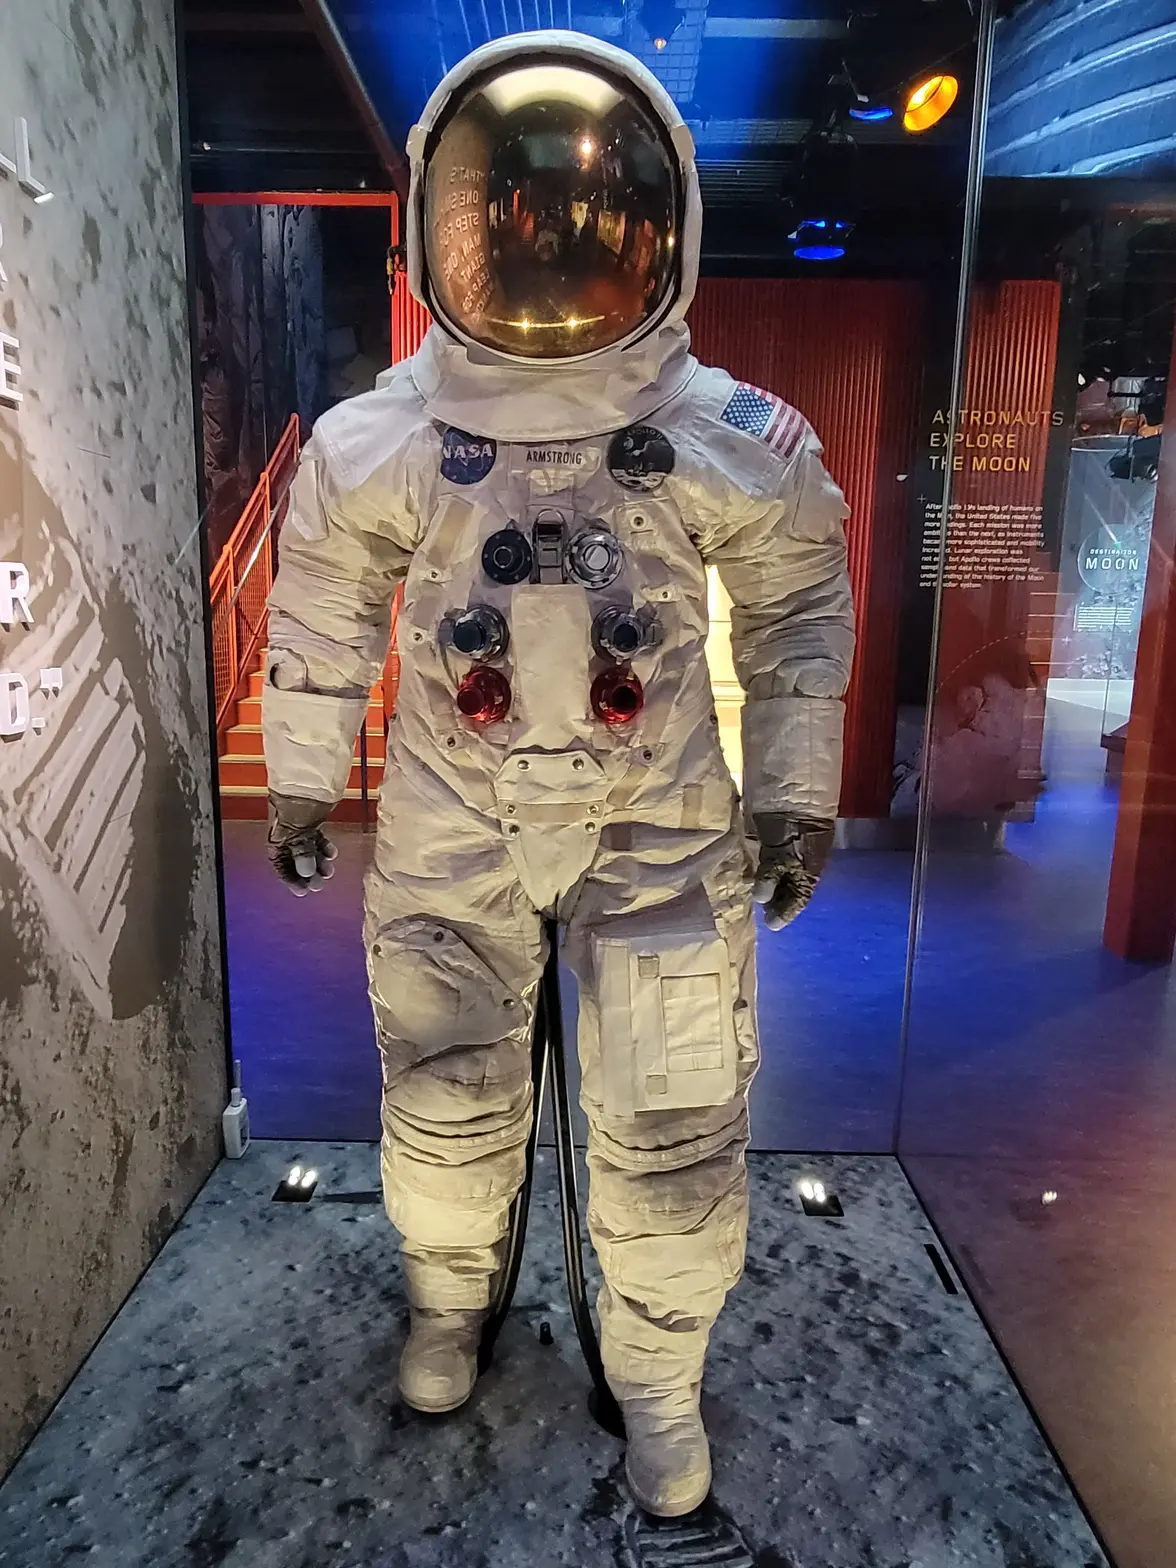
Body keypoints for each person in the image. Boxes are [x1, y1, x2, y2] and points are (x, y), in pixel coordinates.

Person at [261, 29, 854, 1519]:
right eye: (512, 213)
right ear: (445, 225)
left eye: (592, 214)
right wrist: (303, 769)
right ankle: (447, 1308)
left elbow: (796, 612)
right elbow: (322, 605)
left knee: (671, 1123)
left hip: (658, 822)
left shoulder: (720, 436)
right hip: (454, 815)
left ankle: (659, 1382)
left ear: (662, 228)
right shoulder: (383, 439)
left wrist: (794, 792)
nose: (551, 251)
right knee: (445, 1093)